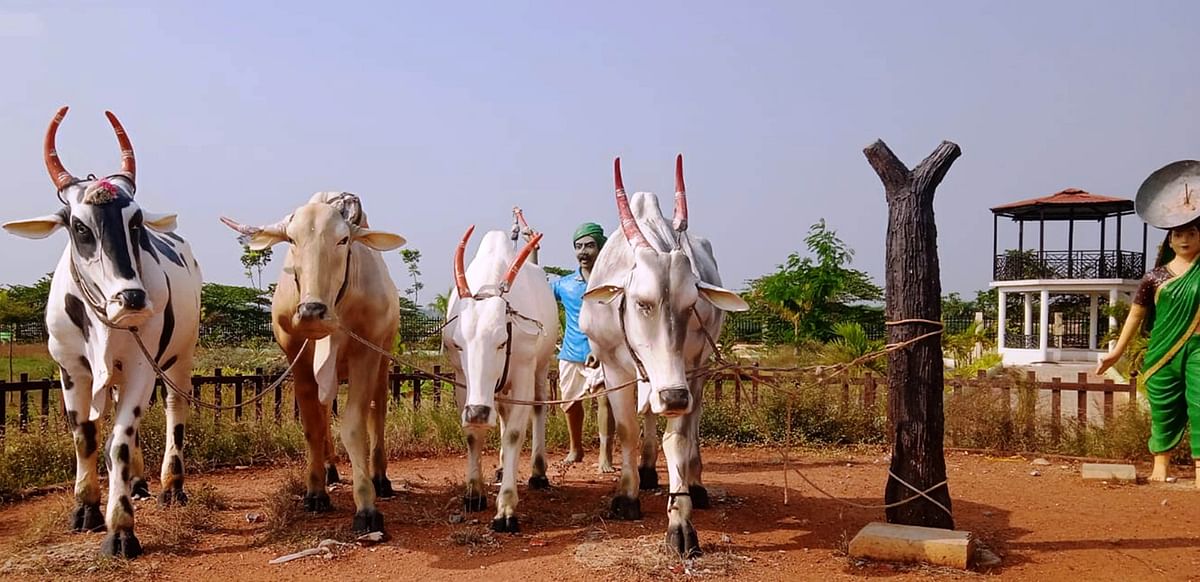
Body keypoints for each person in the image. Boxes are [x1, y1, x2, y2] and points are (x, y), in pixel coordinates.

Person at [1097, 220, 1200, 487]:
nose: (1185, 239)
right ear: (1169, 240)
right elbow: (1136, 314)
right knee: (1162, 408)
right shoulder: (1155, 277)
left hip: (1199, 348)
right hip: (1162, 349)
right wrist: (1116, 351)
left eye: (1192, 233)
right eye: (1178, 234)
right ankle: (1160, 463)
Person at [525, 221, 615, 471]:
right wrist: (533, 249)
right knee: (571, 404)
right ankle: (576, 449)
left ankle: (605, 455)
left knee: (606, 401)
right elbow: (537, 287)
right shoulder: (565, 284)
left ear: (601, 247)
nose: (583, 251)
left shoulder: (613, 283)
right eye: (578, 246)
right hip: (572, 353)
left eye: (589, 245)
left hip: (604, 353)